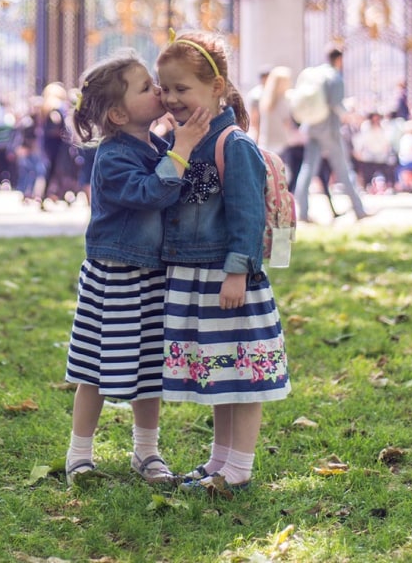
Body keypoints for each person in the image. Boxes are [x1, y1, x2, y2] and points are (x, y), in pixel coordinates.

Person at [64, 49, 211, 486]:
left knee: (150, 369)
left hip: (152, 278)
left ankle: (146, 452)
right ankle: (79, 455)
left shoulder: (161, 146)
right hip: (114, 279)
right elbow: (153, 193)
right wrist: (182, 148)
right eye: (147, 87)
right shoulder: (113, 157)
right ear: (117, 111)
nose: (160, 92)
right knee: (94, 368)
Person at [156, 31, 291, 494]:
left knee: (244, 374)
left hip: (228, 278)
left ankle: (240, 466)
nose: (170, 98)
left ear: (215, 89)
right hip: (197, 274)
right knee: (222, 369)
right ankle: (220, 460)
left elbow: (248, 215)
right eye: (165, 88)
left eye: (181, 89)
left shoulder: (233, 144)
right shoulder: (188, 138)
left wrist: (237, 271)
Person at [293, 47, 370, 223]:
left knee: (308, 169)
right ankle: (359, 210)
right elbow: (336, 105)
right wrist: (350, 116)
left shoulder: (315, 75)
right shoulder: (335, 77)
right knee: (343, 169)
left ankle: (302, 212)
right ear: (339, 60)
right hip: (330, 130)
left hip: (311, 127)